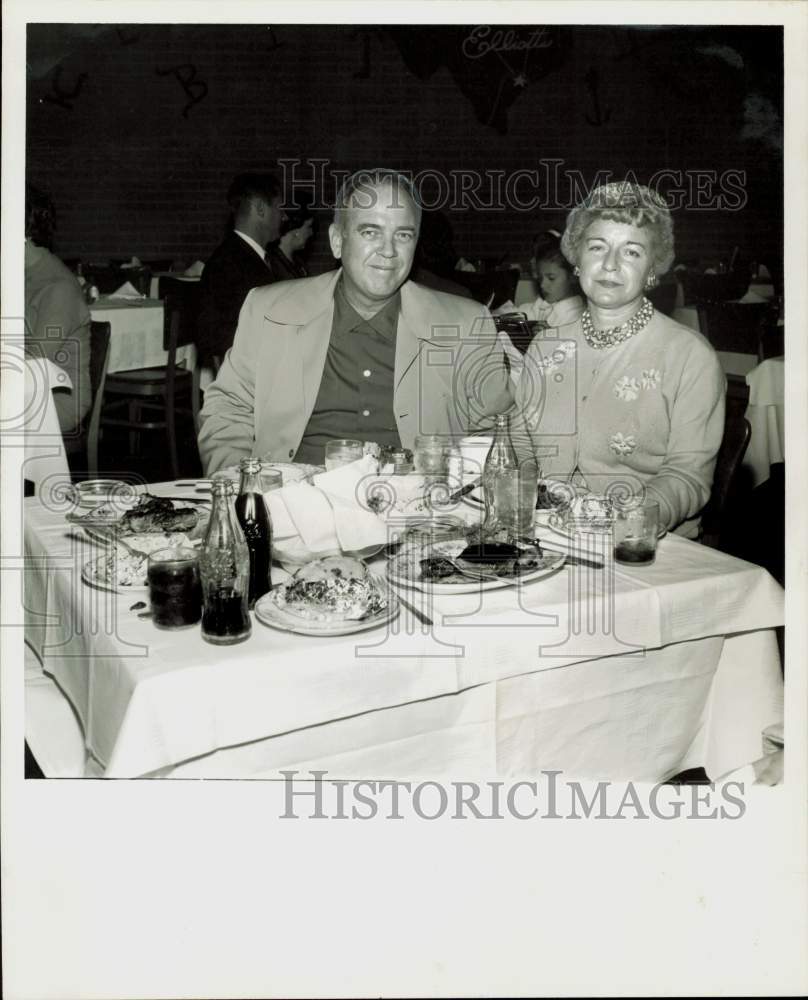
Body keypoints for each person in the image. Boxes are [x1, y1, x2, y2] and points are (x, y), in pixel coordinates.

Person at [198, 168, 513, 474]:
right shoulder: (270, 310)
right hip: (294, 505)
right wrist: (244, 490)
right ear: (337, 241)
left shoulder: (465, 324)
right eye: (370, 232)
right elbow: (228, 409)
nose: (388, 250)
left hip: (413, 513)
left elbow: (497, 430)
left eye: (402, 235)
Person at [512, 182, 725, 538]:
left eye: (631, 252)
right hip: (543, 536)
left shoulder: (689, 356)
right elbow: (519, 439)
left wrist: (636, 516)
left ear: (653, 269)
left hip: (644, 546)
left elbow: (687, 475)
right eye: (598, 247)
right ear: (577, 261)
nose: (610, 264)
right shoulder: (545, 346)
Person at [195, 172, 286, 367]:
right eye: (279, 208)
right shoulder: (229, 263)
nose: (284, 216)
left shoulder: (246, 258)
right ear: (261, 209)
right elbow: (213, 337)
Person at [24, 184, 91, 436]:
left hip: (57, 400)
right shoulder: (18, 274)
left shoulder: (57, 286)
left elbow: (34, 361)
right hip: (21, 388)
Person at [267, 203, 315, 281]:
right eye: (308, 227)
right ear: (296, 231)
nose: (311, 232)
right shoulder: (272, 264)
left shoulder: (299, 262)